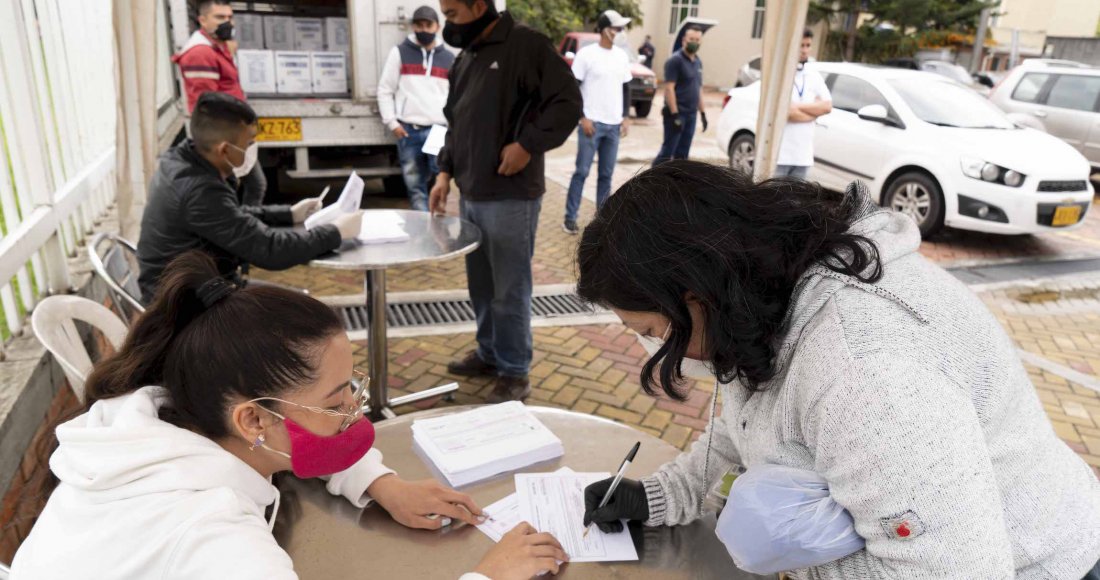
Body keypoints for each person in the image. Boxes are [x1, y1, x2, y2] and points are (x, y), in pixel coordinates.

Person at [576, 161, 1100, 578]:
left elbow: (952, 569)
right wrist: (658, 496)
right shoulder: (762, 297)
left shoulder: (868, 373)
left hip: (1044, 562)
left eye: (651, 331)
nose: (651, 348)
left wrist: (799, 563)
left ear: (696, 295)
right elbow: (742, 426)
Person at [11, 251, 569, 579]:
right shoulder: (216, 538)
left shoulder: (162, 419)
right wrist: (486, 577)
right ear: (252, 420)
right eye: (336, 403)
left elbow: (295, 437)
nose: (354, 411)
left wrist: (381, 482)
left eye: (352, 389)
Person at [431, 0, 582, 402]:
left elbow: (567, 102)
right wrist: (444, 172)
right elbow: (455, 124)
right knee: (481, 285)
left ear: (479, 6)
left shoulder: (526, 44)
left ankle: (515, 371)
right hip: (471, 192)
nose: (448, 22)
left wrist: (528, 145)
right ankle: (489, 353)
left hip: (510, 196)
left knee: (508, 289)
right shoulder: (466, 59)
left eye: (452, 13)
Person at [137, 93, 362, 304]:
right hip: (183, 307)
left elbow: (230, 215)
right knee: (305, 314)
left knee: (301, 306)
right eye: (249, 143)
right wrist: (336, 232)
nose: (252, 149)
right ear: (224, 150)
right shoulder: (198, 189)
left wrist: (289, 213)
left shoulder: (182, 160)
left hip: (197, 286)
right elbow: (269, 250)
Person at [173, 0, 267, 206]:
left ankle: (245, 227)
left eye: (229, 17)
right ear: (202, 21)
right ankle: (245, 229)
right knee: (248, 186)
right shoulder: (201, 53)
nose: (227, 23)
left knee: (247, 186)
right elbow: (207, 104)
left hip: (232, 133)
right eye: (219, 18)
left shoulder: (216, 47)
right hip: (223, 138)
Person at [562, 10, 634, 235]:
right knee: (581, 172)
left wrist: (626, 116)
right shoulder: (586, 54)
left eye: (622, 29)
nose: (620, 33)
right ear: (605, 29)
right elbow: (574, 88)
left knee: (606, 175)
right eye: (617, 28)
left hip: (613, 125)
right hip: (591, 125)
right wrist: (582, 117)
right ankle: (570, 218)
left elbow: (626, 87)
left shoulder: (621, 56)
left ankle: (602, 221)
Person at [377, 6, 455, 211]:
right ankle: (423, 228)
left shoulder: (448, 59)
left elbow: (455, 97)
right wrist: (392, 123)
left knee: (440, 177)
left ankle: (438, 221)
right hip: (408, 130)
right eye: (419, 25)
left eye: (428, 25)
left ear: (437, 27)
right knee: (414, 184)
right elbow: (385, 90)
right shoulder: (400, 53)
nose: (424, 29)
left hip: (437, 129)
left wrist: (451, 126)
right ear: (413, 26)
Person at [775, 29, 832, 179]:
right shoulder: (781, 74)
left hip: (802, 158)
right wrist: (813, 113)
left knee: (798, 202)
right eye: (801, 45)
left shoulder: (813, 75)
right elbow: (787, 113)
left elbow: (827, 106)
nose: (805, 50)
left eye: (808, 45)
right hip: (780, 156)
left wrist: (797, 106)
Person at [654, 26, 706, 165]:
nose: (694, 42)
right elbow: (669, 89)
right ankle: (651, 181)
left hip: (691, 115)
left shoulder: (698, 62)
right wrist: (675, 115)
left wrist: (703, 113)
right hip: (677, 114)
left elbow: (698, 88)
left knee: (682, 155)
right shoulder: (675, 61)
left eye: (697, 39)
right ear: (684, 40)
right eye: (691, 39)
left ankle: (676, 184)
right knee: (667, 152)